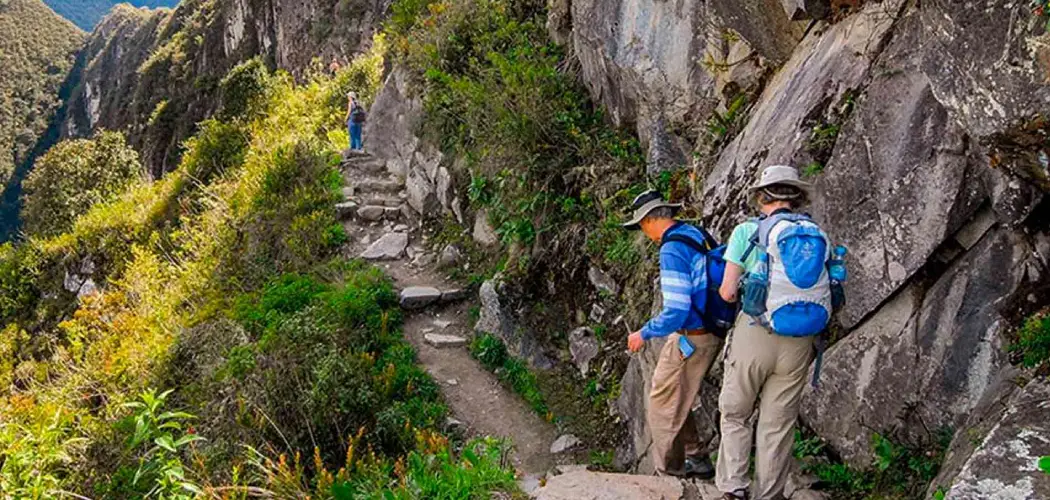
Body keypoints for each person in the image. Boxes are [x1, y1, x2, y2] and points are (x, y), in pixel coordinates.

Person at [715, 165, 825, 500]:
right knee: (778, 424)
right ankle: (770, 494)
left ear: (762, 198)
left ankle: (734, 488)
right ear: (797, 197)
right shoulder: (814, 234)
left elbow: (728, 292)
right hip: (800, 341)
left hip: (755, 333)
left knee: (735, 413)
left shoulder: (747, 231)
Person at [622, 190, 721, 479]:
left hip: (692, 335)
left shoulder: (672, 248)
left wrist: (644, 333)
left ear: (650, 220)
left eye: (642, 226)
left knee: (661, 406)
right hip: (711, 328)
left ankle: (668, 476)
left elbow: (677, 309)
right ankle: (695, 456)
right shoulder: (693, 233)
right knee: (675, 397)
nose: (644, 233)